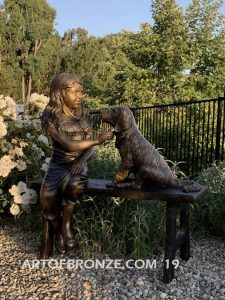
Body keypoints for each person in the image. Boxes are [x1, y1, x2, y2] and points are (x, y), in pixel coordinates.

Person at [40, 72, 114, 258]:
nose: (80, 96)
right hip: (58, 165)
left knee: (74, 185)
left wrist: (81, 161)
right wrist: (98, 141)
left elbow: (86, 148)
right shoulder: (50, 115)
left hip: (78, 164)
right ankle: (57, 234)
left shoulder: (83, 113)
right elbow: (70, 145)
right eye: (76, 92)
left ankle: (66, 225)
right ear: (60, 93)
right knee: (47, 201)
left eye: (82, 92)